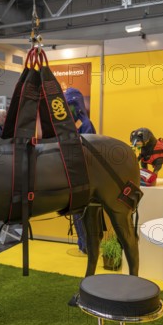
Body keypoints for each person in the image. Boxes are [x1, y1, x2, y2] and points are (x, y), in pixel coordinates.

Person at [65, 87, 96, 254]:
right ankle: (83, 243)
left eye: (69, 104)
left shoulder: (85, 124)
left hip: (83, 175)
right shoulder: (72, 124)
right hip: (74, 174)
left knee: (83, 212)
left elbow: (87, 150)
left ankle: (87, 244)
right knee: (77, 212)